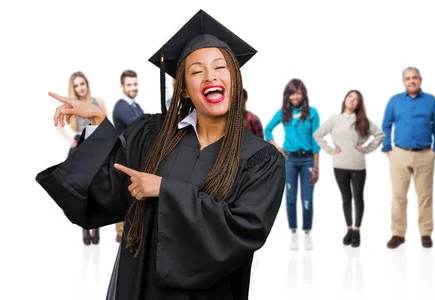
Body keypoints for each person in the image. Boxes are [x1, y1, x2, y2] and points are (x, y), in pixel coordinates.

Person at [36, 9, 285, 300]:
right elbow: (105, 194)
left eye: (220, 67)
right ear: (182, 90)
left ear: (235, 80)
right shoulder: (152, 136)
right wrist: (98, 126)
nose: (209, 76)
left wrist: (165, 190)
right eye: (196, 71)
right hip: (137, 286)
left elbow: (244, 229)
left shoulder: (262, 161)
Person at [381, 66, 435, 249]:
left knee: (425, 196)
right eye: (408, 78)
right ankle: (398, 234)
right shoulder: (394, 101)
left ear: (421, 80)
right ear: (403, 81)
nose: (411, 81)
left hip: (425, 155)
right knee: (398, 196)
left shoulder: (432, 101)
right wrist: (388, 149)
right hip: (399, 155)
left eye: (414, 77)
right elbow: (386, 125)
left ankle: (425, 233)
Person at [313, 90, 384, 247]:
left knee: (358, 197)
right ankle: (349, 229)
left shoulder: (362, 120)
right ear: (345, 99)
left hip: (358, 165)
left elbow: (379, 135)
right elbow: (318, 134)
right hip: (339, 165)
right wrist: (331, 150)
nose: (352, 100)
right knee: (346, 198)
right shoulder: (334, 119)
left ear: (359, 104)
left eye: (356, 99)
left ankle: (357, 230)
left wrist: (365, 149)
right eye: (350, 97)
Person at [264, 78, 320, 251]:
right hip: (289, 160)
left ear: (303, 94)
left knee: (307, 199)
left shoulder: (312, 112)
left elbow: (316, 140)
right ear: (287, 96)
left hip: (308, 160)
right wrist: (277, 148)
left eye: (298, 92)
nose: (295, 96)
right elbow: (267, 130)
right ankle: (294, 233)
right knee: (289, 198)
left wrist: (316, 168)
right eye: (292, 93)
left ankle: (307, 232)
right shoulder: (283, 112)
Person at [56, 71, 107, 245]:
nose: (80, 88)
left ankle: (96, 228)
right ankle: (85, 230)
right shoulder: (73, 104)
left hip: (96, 144)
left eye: (82, 83)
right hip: (81, 145)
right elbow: (59, 124)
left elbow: (105, 122)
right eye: (76, 85)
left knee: (97, 188)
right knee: (82, 190)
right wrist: (71, 140)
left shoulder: (97, 102)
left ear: (87, 83)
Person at [111, 69, 144, 243]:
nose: (133, 87)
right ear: (122, 87)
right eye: (129, 84)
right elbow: (141, 126)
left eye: (135, 84)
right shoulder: (122, 107)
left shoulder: (135, 106)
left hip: (135, 160)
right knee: (126, 201)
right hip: (125, 161)